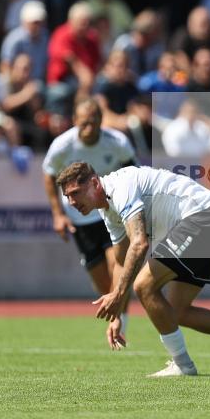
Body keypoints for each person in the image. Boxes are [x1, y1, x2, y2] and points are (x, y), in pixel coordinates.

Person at [56, 161, 210, 376]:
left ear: (94, 183)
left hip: (202, 216)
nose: (71, 202)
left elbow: (140, 243)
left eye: (75, 193)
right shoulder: (107, 210)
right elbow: (122, 261)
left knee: (144, 286)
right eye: (67, 197)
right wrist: (118, 315)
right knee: (175, 312)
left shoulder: (120, 187)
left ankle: (183, 365)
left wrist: (119, 294)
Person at [43, 99, 137, 330]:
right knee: (102, 282)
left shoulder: (117, 142)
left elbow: (133, 172)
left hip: (111, 213)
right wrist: (58, 214)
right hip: (80, 218)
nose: (89, 127)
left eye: (94, 121)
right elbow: (48, 174)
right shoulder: (62, 145)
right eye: (84, 123)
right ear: (75, 121)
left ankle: (120, 322)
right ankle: (116, 311)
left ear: (101, 120)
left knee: (117, 264)